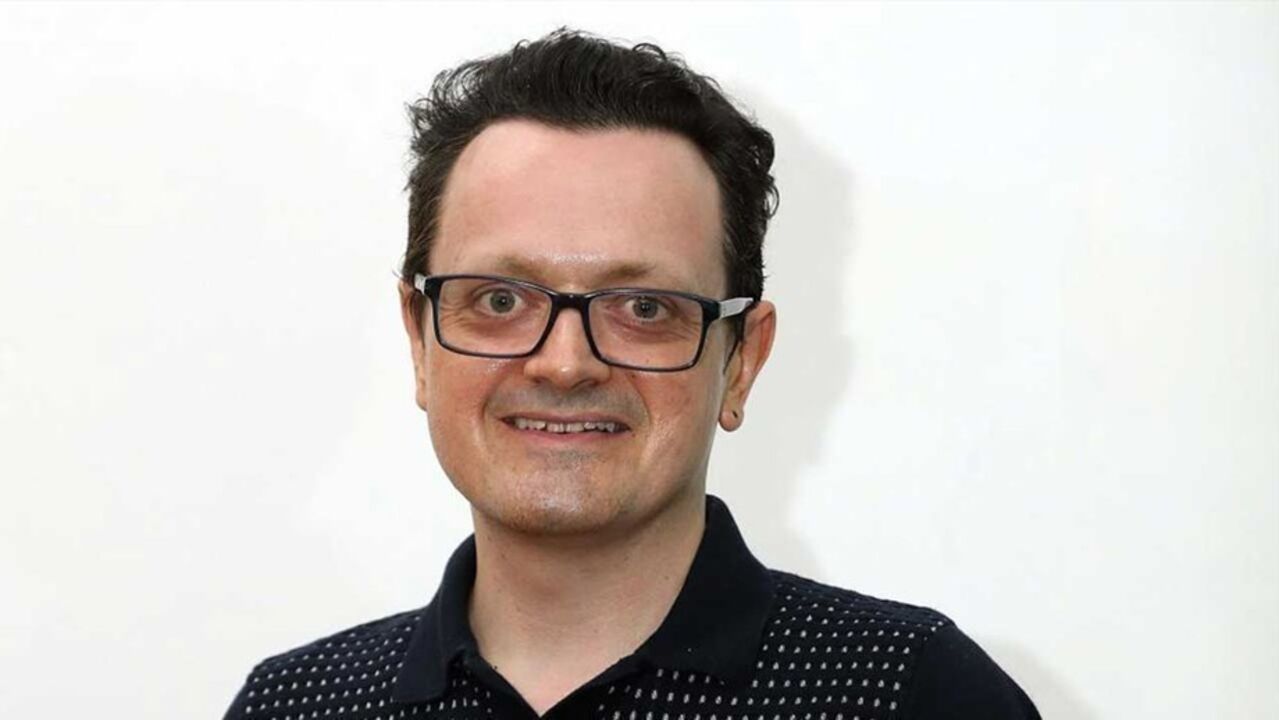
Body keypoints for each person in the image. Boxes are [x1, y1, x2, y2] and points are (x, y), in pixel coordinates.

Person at [222, 27, 1041, 720]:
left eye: (643, 308)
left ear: (741, 361)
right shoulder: (296, 707)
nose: (564, 362)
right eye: (499, 299)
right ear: (419, 341)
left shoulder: (910, 694)